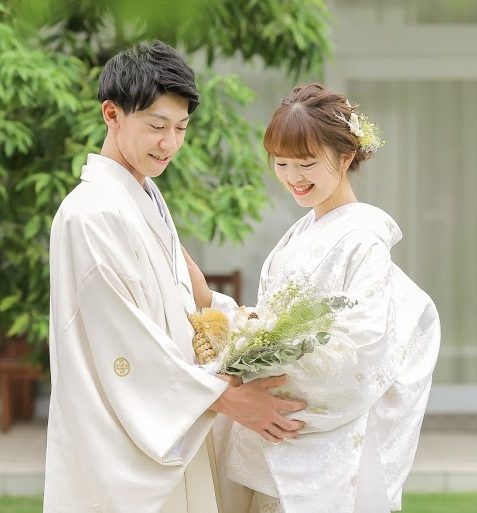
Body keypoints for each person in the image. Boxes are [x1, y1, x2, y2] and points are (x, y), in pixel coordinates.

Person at [44, 41, 306, 513]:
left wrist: (247, 329)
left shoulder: (143, 197)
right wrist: (226, 399)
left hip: (171, 422)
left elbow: (185, 299)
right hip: (119, 443)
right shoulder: (91, 214)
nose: (170, 143)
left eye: (181, 127)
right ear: (112, 114)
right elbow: (124, 345)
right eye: (156, 126)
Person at [214, 83, 441, 513]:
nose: (292, 177)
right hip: (280, 425)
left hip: (320, 430)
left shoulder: (363, 239)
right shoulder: (299, 233)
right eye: (281, 163)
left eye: (306, 163)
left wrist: (272, 381)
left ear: (346, 156)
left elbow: (363, 343)